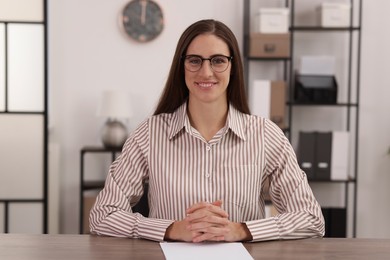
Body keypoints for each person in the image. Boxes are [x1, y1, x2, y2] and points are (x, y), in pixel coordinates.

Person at [89, 19, 325, 242]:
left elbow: (311, 219)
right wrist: (171, 229)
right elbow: (102, 216)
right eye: (194, 60)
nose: (205, 72)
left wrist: (241, 230)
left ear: (233, 67)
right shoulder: (150, 134)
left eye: (218, 60)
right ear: (181, 66)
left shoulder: (266, 135)